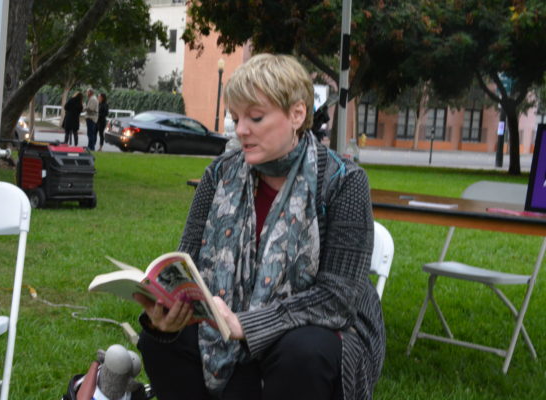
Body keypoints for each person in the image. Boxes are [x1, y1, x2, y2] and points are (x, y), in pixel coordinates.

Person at [135, 54, 385, 400]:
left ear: (297, 114)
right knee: (159, 342)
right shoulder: (220, 174)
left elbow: (337, 298)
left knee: (303, 352)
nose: (240, 130)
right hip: (227, 316)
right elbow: (188, 265)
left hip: (316, 324)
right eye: (236, 118)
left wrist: (248, 325)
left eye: (255, 117)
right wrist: (166, 310)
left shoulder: (343, 181)